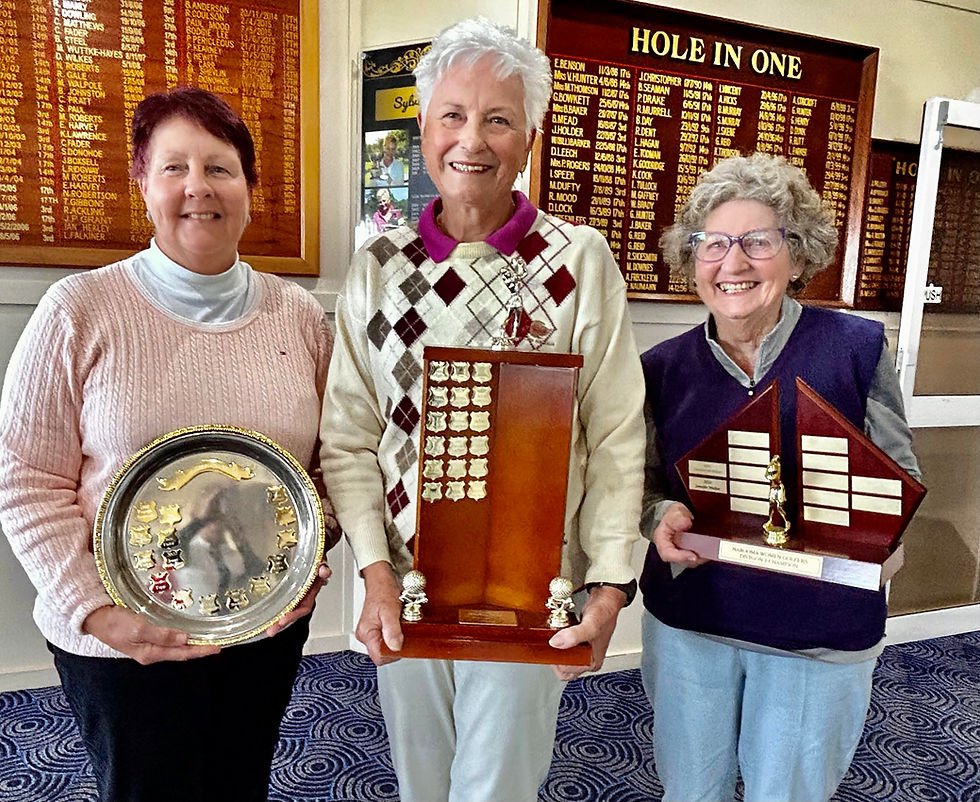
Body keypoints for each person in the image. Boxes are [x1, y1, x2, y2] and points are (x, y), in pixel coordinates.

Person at [320, 17, 644, 802]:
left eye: (498, 118)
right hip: (410, 580)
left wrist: (606, 588)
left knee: (496, 784)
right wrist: (373, 572)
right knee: (422, 779)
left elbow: (615, 436)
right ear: (424, 128)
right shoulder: (379, 266)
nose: (473, 139)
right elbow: (349, 436)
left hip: (533, 589)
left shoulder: (577, 258)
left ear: (528, 136)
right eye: (453, 116)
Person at [0, 86, 338, 802]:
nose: (198, 189)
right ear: (143, 183)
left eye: (219, 168)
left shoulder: (300, 317)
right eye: (173, 168)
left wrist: (308, 554)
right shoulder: (79, 311)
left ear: (250, 187)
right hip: (121, 641)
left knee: (238, 784)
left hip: (259, 623)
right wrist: (94, 609)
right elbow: (24, 476)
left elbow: (330, 464)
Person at [639, 152, 920, 802]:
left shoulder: (854, 349)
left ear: (797, 255)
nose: (732, 264)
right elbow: (643, 486)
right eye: (713, 243)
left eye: (757, 242)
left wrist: (884, 540)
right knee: (690, 792)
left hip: (815, 631)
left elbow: (897, 474)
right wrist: (659, 518)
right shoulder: (661, 367)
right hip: (693, 620)